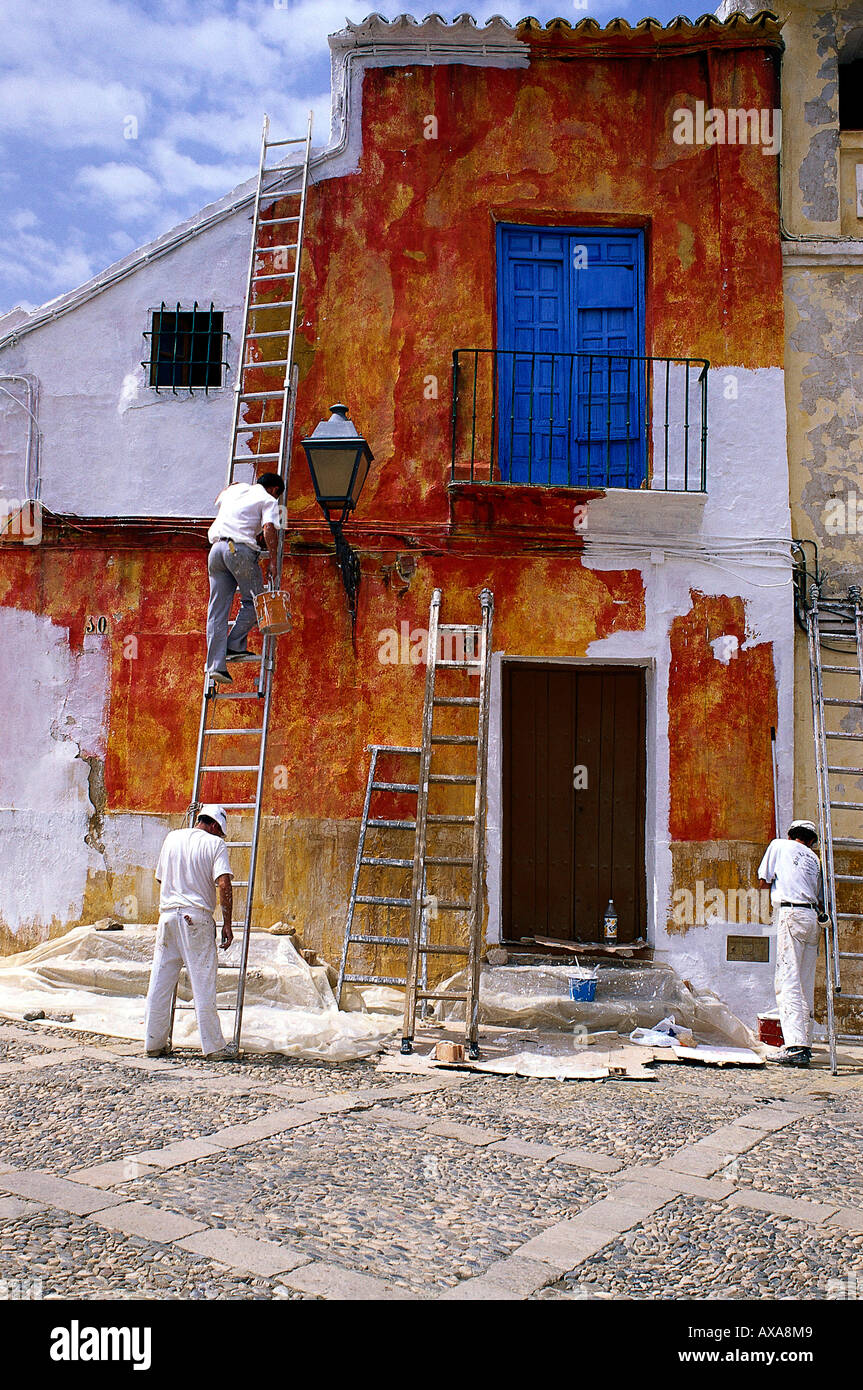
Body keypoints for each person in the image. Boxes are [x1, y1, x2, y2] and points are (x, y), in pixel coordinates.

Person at [144, 804, 235, 1060]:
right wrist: (227, 923)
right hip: (196, 919)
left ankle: (154, 1042)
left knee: (160, 982)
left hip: (168, 917)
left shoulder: (172, 837)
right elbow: (224, 884)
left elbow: (161, 878)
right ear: (216, 826)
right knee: (203, 983)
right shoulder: (215, 845)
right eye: (220, 832)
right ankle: (214, 1047)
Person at [757, 818, 826, 1068]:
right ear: (811, 841)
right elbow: (819, 897)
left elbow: (763, 881)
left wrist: (778, 883)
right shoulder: (815, 860)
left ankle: (796, 1047)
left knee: (787, 981)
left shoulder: (779, 845)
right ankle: (805, 1041)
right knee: (805, 982)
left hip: (792, 915)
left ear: (791, 835)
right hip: (811, 919)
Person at [205, 472, 285, 684]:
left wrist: (231, 485)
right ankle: (233, 644)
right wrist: (273, 562)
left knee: (216, 611)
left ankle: (216, 666)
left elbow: (217, 499)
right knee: (257, 603)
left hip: (216, 551)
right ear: (275, 490)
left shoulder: (235, 490)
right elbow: (268, 528)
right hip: (238, 551)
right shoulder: (268, 499)